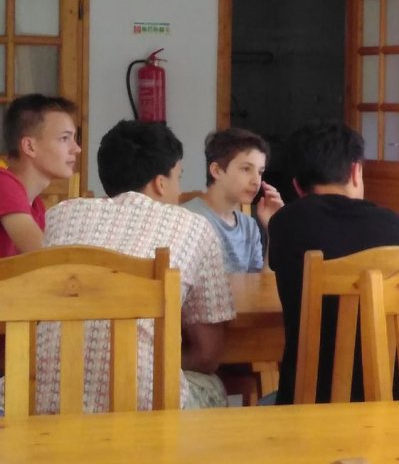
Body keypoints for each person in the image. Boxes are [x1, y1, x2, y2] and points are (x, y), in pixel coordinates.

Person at [3, 120, 235, 413]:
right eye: (178, 177)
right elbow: (207, 355)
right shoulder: (194, 226)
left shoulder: (62, 215)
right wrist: (147, 359)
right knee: (212, 386)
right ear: (160, 183)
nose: (179, 191)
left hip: (35, 402)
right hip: (143, 410)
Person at [268, 119, 399, 404]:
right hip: (397, 407)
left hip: (305, 407)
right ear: (356, 171)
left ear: (297, 186)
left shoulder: (284, 224)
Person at [183, 128, 283, 273]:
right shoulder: (188, 218)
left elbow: (261, 283)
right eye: (246, 169)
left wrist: (273, 228)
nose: (256, 181)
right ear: (216, 171)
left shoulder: (249, 226)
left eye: (260, 172)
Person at [0, 94, 80, 257]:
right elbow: (44, 260)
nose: (77, 149)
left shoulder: (36, 206)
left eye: (74, 138)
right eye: (64, 138)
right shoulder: (3, 183)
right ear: (30, 146)